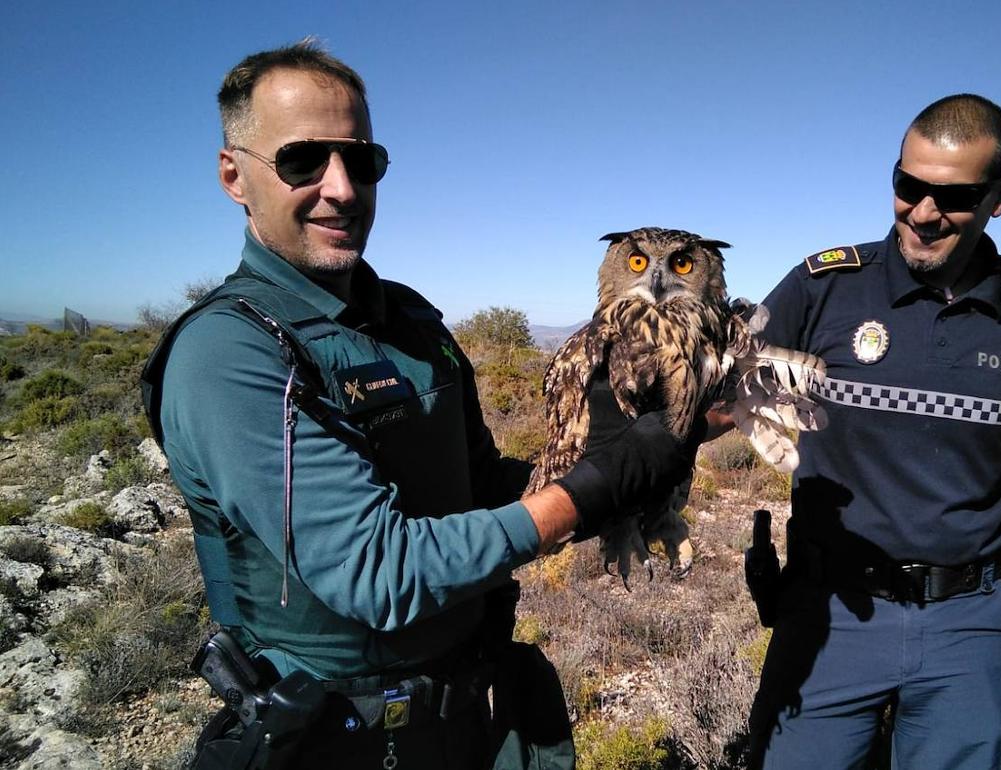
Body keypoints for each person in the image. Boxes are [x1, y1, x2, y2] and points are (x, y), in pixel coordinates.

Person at [141, 40, 697, 770]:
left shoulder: (411, 322)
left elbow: (480, 485)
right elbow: (377, 572)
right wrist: (588, 492)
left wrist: (630, 473)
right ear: (233, 175)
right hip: (336, 741)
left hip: (470, 715)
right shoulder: (231, 352)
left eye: (362, 161)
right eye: (302, 160)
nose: (342, 188)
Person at [745, 94, 1001, 769]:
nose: (923, 212)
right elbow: (723, 390)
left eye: (954, 197)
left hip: (970, 621)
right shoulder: (823, 287)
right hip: (830, 609)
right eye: (907, 186)